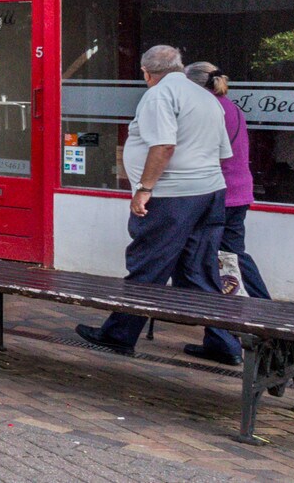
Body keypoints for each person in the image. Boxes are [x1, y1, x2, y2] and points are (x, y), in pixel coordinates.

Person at [76, 44, 237, 364]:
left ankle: (118, 335)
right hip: (211, 193)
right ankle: (225, 343)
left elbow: (163, 146)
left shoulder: (160, 95)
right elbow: (222, 151)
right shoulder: (207, 97)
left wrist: (144, 189)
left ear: (146, 73)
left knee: (147, 264)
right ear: (179, 66)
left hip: (172, 197)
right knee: (200, 271)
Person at [187, 62, 271, 357]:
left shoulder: (207, 110)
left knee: (208, 261)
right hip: (237, 190)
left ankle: (227, 336)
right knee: (233, 255)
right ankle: (264, 316)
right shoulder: (230, 106)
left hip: (217, 193)